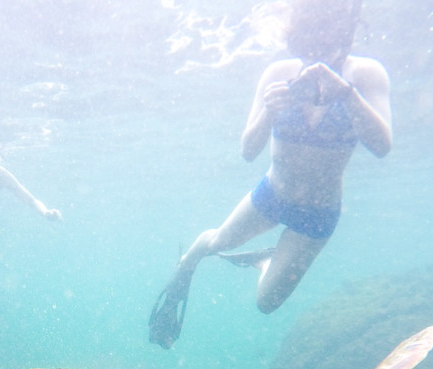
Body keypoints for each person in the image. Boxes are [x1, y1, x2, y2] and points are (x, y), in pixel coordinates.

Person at [148, 0, 391, 348]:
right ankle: (187, 263)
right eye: (309, 44)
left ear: (347, 33)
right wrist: (268, 111)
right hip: (272, 195)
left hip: (319, 212)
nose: (318, 54)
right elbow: (248, 150)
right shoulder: (278, 74)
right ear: (297, 37)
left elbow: (382, 146)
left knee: (266, 303)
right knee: (218, 244)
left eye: (329, 41)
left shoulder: (366, 75)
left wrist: (346, 94)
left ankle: (266, 261)